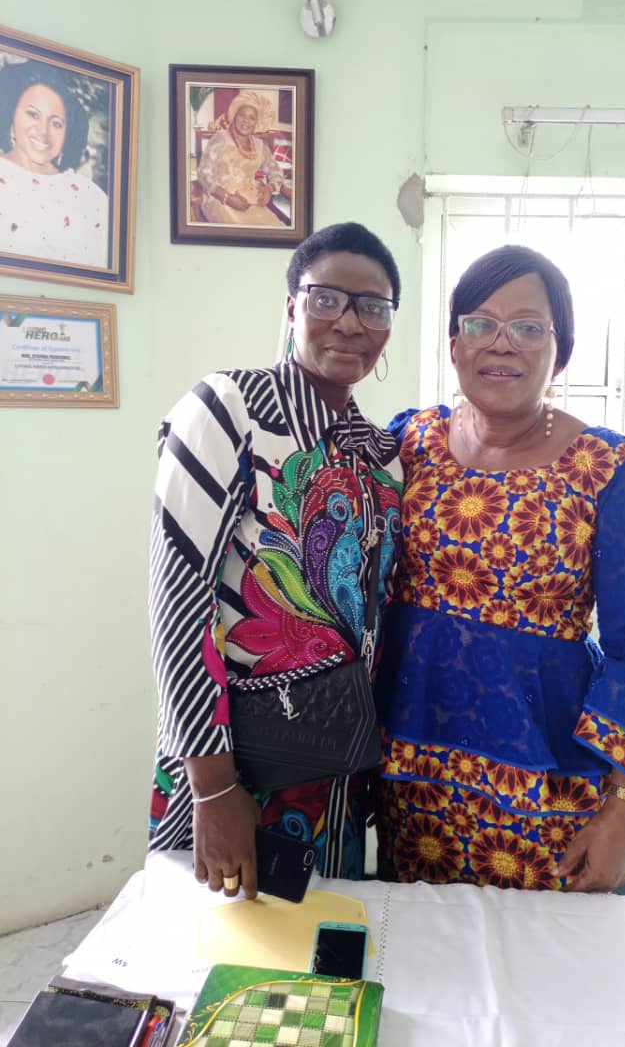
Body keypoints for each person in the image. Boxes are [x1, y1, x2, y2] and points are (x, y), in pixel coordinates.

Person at [374, 244, 625, 893]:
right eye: (479, 324)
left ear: (560, 354)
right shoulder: (410, 442)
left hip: (546, 792)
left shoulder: (609, 471)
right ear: (454, 346)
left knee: (550, 980)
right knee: (422, 970)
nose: (501, 344)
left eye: (529, 328)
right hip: (414, 782)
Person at [148, 221, 403, 897]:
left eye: (372, 307)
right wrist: (212, 788)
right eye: (326, 299)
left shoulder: (381, 455)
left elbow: (375, 622)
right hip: (238, 764)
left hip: (338, 775)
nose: (349, 322)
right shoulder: (228, 409)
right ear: (290, 307)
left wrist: (372, 766)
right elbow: (178, 600)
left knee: (316, 956)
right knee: (219, 961)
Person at [0, 60, 108, 267]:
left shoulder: (91, 197)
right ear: (10, 115)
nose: (44, 130)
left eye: (56, 123)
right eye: (33, 115)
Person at [196, 90, 287, 227]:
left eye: (252, 117)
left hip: (252, 200)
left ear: (257, 121)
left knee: (273, 229)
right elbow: (203, 173)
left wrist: (269, 189)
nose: (246, 121)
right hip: (219, 199)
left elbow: (276, 173)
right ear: (234, 116)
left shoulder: (260, 145)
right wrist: (227, 198)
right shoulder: (220, 138)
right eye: (242, 115)